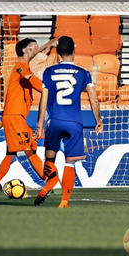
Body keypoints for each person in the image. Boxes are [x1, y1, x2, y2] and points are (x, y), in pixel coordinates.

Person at [33, 36, 103, 208]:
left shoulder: (48, 72)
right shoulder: (83, 72)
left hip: (55, 121)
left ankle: (49, 184)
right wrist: (98, 120)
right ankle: (64, 201)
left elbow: (43, 99)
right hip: (74, 122)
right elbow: (93, 98)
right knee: (70, 162)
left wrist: (40, 125)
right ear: (74, 51)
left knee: (49, 158)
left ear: (57, 53)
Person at [0, 37, 58, 193]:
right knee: (29, 150)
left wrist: (48, 45)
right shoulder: (20, 68)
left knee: (12, 152)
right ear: (25, 50)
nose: (36, 49)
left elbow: (34, 59)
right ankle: (48, 181)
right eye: (34, 46)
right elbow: (36, 83)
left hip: (11, 116)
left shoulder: (23, 68)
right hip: (15, 117)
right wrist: (48, 88)